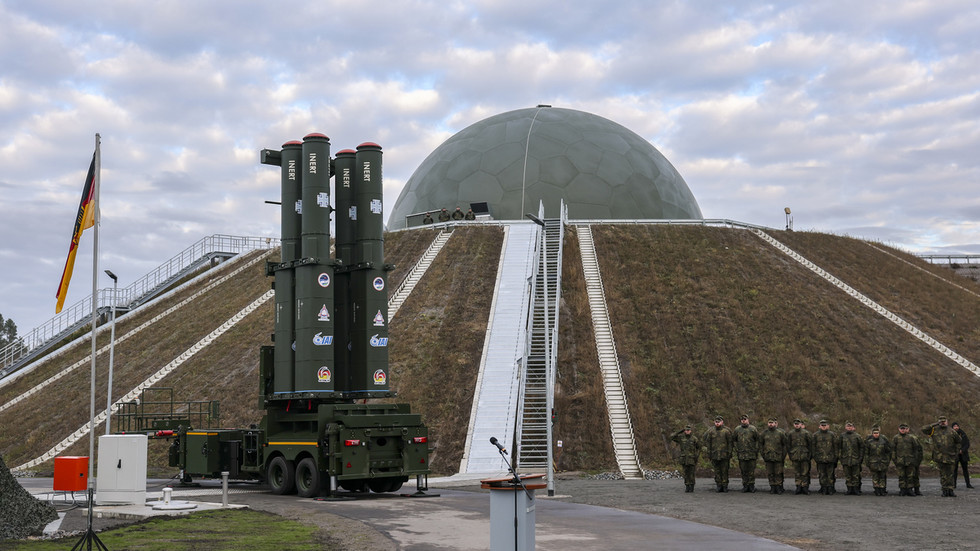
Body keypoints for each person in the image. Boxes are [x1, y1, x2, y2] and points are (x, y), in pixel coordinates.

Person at [922, 415, 962, 496]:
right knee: (943, 474)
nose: (943, 423)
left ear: (947, 422)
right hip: (939, 456)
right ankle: (944, 490)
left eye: (944, 421)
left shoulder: (952, 431)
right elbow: (923, 429)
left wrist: (956, 451)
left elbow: (959, 441)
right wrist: (935, 424)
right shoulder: (934, 430)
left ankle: (950, 489)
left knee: (950, 474)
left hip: (950, 456)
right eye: (941, 421)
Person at [702, 416, 734, 492]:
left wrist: (730, 452)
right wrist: (709, 453)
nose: (717, 423)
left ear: (722, 422)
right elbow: (708, 443)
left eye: (718, 422)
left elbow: (730, 443)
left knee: (724, 470)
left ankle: (725, 485)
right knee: (717, 471)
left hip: (724, 454)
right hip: (714, 454)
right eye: (716, 422)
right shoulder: (711, 431)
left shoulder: (726, 431)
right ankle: (719, 485)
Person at [760, 417, 789, 494]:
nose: (771, 424)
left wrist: (783, 456)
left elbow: (785, 445)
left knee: (778, 473)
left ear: (775, 423)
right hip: (768, 456)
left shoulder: (780, 433)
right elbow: (761, 445)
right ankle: (772, 487)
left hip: (778, 456)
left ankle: (778, 487)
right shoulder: (764, 433)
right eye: (769, 423)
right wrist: (763, 455)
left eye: (772, 423)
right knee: (770, 473)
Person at [892, 423, 922, 496]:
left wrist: (915, 459)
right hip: (900, 460)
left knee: (910, 476)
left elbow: (917, 449)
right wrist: (894, 459)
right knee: (901, 476)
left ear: (907, 429)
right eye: (901, 429)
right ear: (899, 429)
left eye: (904, 429)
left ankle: (909, 489)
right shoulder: (896, 438)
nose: (903, 430)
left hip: (910, 460)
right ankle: (902, 489)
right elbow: (893, 450)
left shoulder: (912, 438)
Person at [733, 414, 761, 493]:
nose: (743, 421)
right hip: (742, 454)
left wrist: (756, 449)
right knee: (743, 471)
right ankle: (745, 485)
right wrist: (737, 449)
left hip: (751, 454)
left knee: (751, 471)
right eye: (742, 420)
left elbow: (758, 440)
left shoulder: (753, 429)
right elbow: (734, 440)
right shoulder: (737, 429)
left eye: (745, 419)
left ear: (748, 420)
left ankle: (751, 486)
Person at [812, 420, 839, 495]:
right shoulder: (815, 435)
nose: (823, 427)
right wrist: (815, 456)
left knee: (830, 474)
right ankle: (823, 487)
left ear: (828, 426)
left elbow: (836, 446)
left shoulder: (832, 435)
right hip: (820, 458)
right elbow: (813, 447)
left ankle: (830, 488)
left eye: (825, 425)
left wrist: (836, 457)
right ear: (819, 426)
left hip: (830, 458)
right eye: (822, 425)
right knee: (822, 474)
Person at [839, 421, 866, 495]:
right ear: (845, 427)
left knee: (856, 475)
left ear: (853, 428)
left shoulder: (858, 436)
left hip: (855, 459)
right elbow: (839, 447)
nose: (849, 428)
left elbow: (862, 447)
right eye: (848, 426)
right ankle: (849, 489)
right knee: (848, 475)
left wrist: (860, 458)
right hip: (845, 459)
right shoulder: (842, 436)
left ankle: (856, 489)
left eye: (850, 426)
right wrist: (840, 458)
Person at [671, 425, 701, 492]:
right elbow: (672, 437)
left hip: (692, 458)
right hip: (684, 458)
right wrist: (680, 431)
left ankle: (692, 486)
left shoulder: (694, 438)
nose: (687, 431)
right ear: (684, 431)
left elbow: (699, 448)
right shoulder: (681, 438)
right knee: (685, 473)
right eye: (686, 430)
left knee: (692, 473)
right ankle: (687, 486)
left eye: (688, 430)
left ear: (690, 431)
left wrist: (696, 456)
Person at [788, 419, 813, 494]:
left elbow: (810, 445)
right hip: (795, 455)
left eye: (798, 424)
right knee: (797, 472)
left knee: (805, 472)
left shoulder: (806, 433)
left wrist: (809, 455)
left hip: (805, 455)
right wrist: (791, 455)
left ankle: (805, 487)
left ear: (800, 424)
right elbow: (788, 445)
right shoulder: (791, 433)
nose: (797, 425)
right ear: (794, 425)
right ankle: (798, 486)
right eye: (795, 424)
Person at [865, 426, 892, 496]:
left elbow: (888, 452)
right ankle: (876, 489)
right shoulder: (869, 442)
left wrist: (887, 460)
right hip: (873, 462)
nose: (876, 434)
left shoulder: (883, 442)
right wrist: (867, 462)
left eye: (877, 433)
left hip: (882, 462)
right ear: (872, 434)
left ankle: (882, 489)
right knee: (875, 476)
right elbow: (866, 453)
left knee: (882, 476)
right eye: (874, 433)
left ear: (879, 433)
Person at [952, 422, 973, 489]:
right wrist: (956, 451)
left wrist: (962, 450)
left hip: (963, 454)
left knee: (965, 470)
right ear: (952, 427)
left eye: (957, 426)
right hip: (955, 454)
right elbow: (949, 445)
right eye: (954, 426)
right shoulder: (950, 434)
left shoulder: (963, 434)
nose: (956, 427)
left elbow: (967, 443)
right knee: (954, 470)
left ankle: (968, 484)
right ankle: (954, 484)